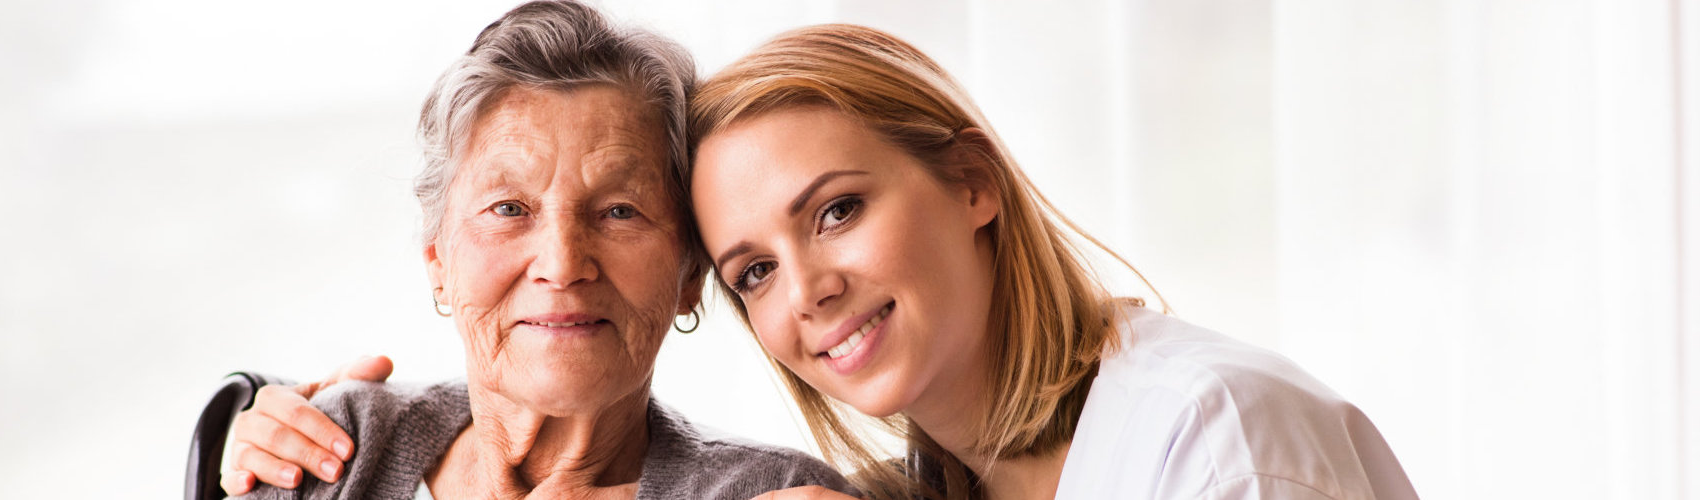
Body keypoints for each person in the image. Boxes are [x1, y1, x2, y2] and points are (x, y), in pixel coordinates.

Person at [232, 22, 1419, 500]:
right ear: (436, 260)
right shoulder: (340, 446)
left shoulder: (1211, 425)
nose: (806, 289)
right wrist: (222, 436)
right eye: (755, 265)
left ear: (971, 181)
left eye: (838, 209)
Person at [215, 3, 852, 499]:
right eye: (509, 210)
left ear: (690, 272)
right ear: (438, 260)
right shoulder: (336, 446)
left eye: (619, 212)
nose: (563, 264)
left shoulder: (777, 494)